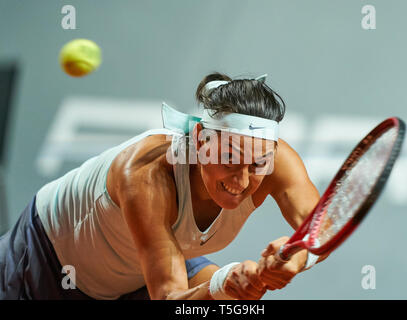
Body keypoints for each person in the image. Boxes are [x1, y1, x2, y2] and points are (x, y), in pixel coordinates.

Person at [0, 72, 324, 300]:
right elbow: (170, 296)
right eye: (228, 158)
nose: (242, 181)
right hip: (45, 262)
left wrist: (294, 259)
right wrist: (225, 281)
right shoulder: (146, 175)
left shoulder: (278, 161)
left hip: (146, 269)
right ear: (200, 139)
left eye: (258, 165)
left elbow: (321, 229)